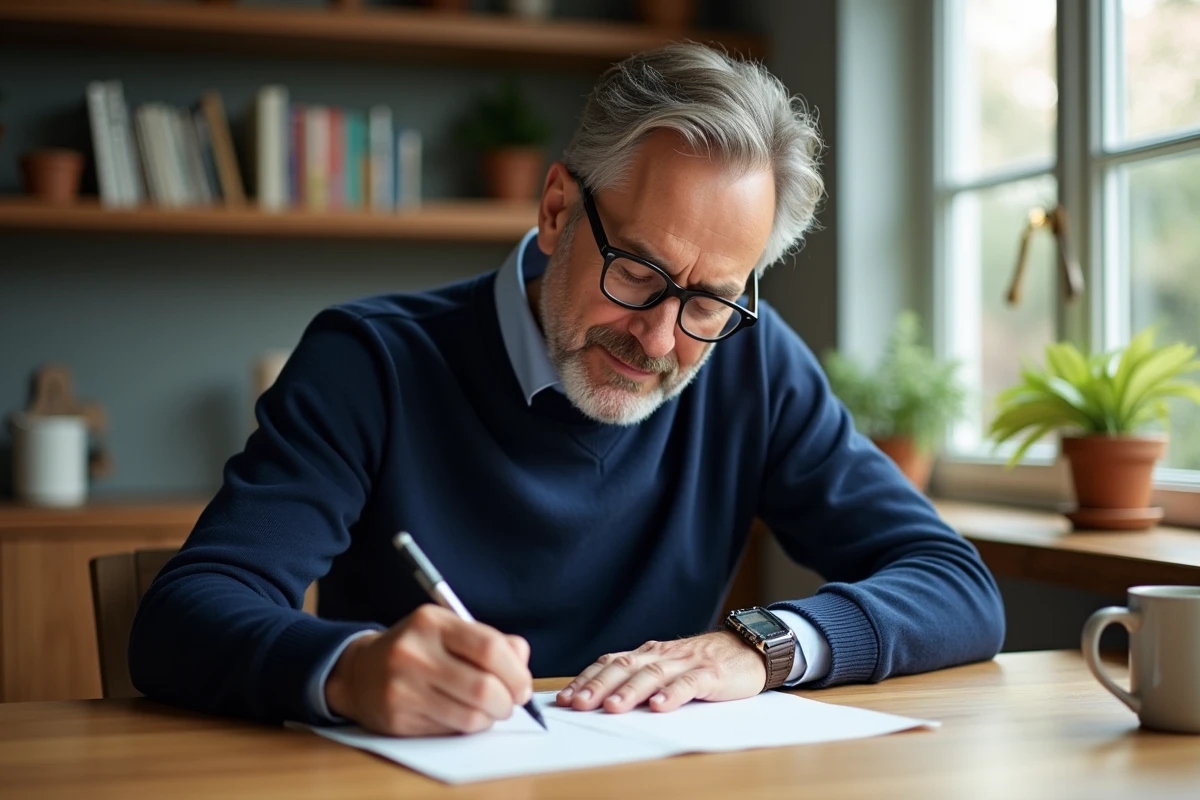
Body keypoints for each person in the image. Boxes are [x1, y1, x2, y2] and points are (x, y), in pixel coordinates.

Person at [129, 43, 1004, 737]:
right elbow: (184, 617)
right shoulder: (370, 362)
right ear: (555, 212)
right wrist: (353, 669)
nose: (661, 339)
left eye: (709, 300)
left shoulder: (751, 361)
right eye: (638, 272)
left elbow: (956, 586)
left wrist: (764, 647)